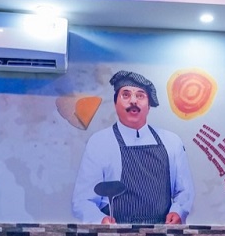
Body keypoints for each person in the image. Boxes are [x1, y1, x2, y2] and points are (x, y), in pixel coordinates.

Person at [72, 70, 194, 224]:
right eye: (126, 95)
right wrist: (100, 220)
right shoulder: (99, 142)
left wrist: (178, 212)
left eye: (140, 96)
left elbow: (184, 191)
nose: (133, 101)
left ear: (149, 106)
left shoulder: (172, 141)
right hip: (115, 235)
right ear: (115, 104)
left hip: (162, 234)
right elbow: (83, 200)